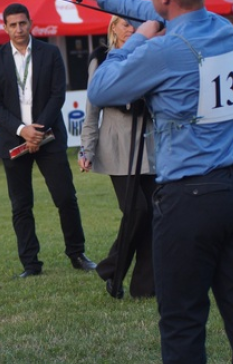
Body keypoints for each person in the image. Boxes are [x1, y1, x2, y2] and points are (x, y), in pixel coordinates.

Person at [73, 0, 233, 363]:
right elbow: (149, 9)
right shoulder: (222, 28)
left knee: (182, 322)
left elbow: (101, 88)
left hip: (193, 198)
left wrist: (136, 41)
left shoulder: (163, 48)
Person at [0, 3, 97, 278]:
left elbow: (58, 94)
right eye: (13, 25)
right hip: (14, 140)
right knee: (21, 205)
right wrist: (24, 130)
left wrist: (38, 130)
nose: (19, 29)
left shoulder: (51, 53)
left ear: (30, 23)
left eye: (22, 23)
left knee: (65, 197)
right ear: (5, 27)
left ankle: (77, 253)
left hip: (49, 138)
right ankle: (31, 264)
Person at [78, 16, 156, 299]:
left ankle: (144, 286)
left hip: (150, 144)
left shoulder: (150, 56)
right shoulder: (102, 59)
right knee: (137, 211)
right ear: (113, 28)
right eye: (125, 24)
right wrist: (87, 147)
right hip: (117, 145)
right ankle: (112, 268)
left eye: (135, 25)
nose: (131, 29)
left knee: (153, 216)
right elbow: (92, 109)